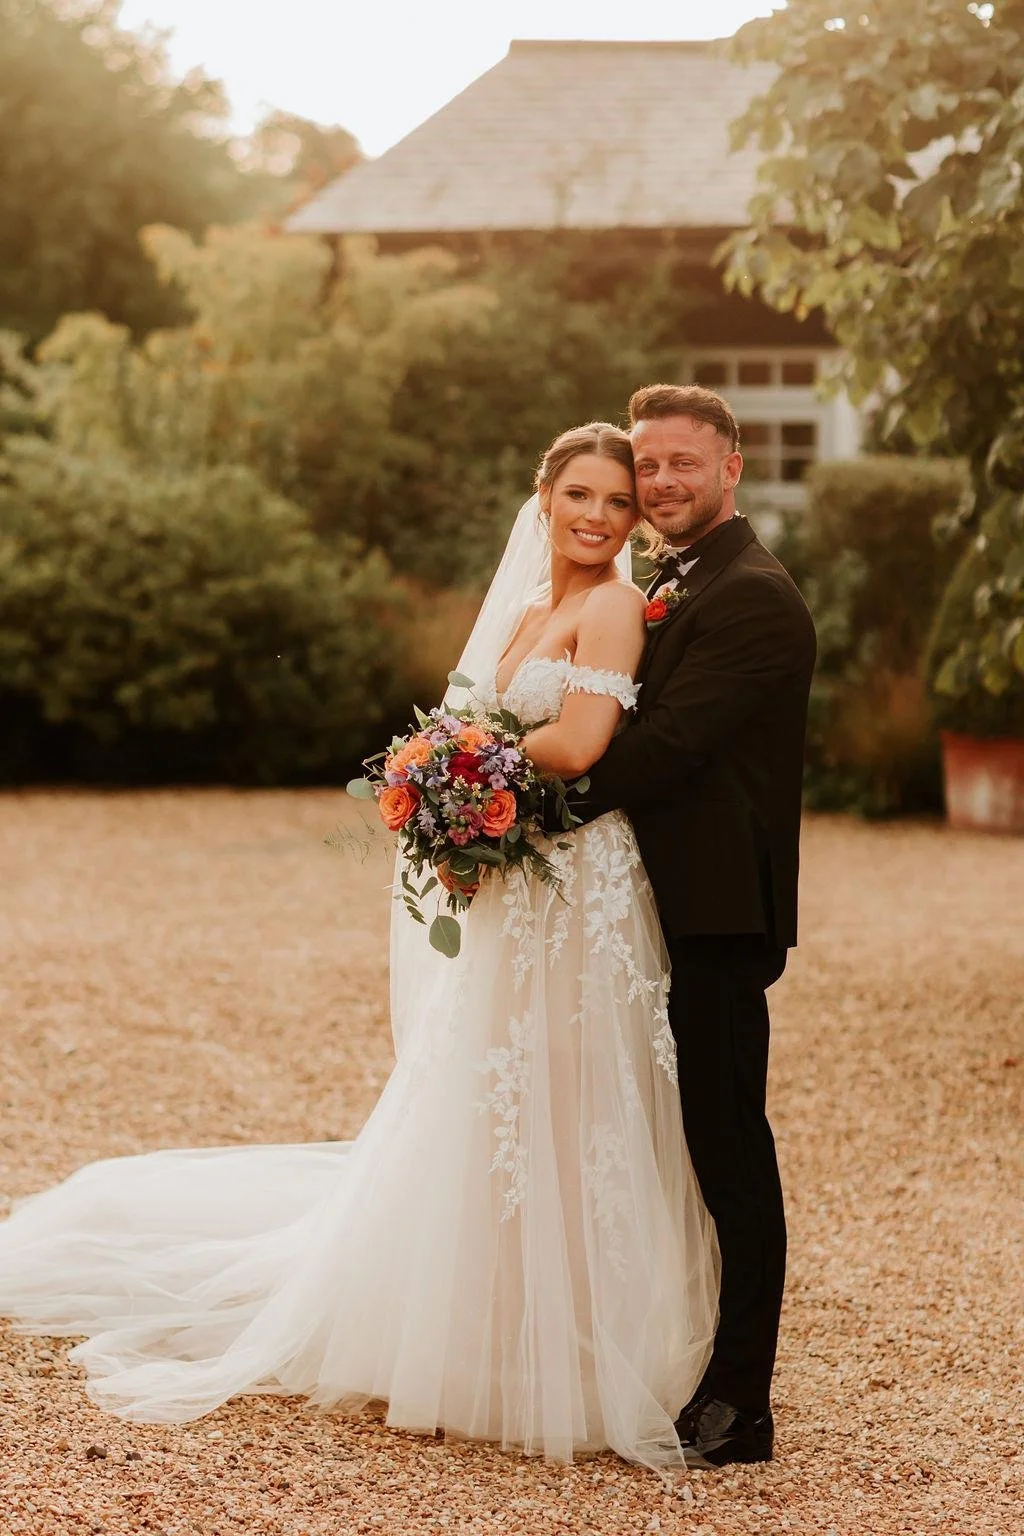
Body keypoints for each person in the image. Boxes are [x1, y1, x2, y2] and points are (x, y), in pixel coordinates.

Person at [0, 422, 719, 1473]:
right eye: (580, 494)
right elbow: (501, 724)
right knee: (494, 1095)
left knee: (572, 1103)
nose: (598, 517)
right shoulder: (530, 608)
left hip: (580, 895)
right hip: (522, 884)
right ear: (546, 495)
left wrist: (465, 767)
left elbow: (579, 745)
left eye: (616, 502)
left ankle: (570, 1345)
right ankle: (488, 1326)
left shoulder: (612, 603)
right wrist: (451, 775)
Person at [565, 385, 817, 1469]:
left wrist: (518, 797)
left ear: (731, 465)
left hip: (715, 914)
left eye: (681, 464)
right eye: (648, 466)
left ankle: (738, 1403)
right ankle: (665, 1357)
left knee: (727, 1149)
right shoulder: (678, 581)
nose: (661, 483)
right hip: (653, 906)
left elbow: (667, 747)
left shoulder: (754, 595)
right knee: (672, 1143)